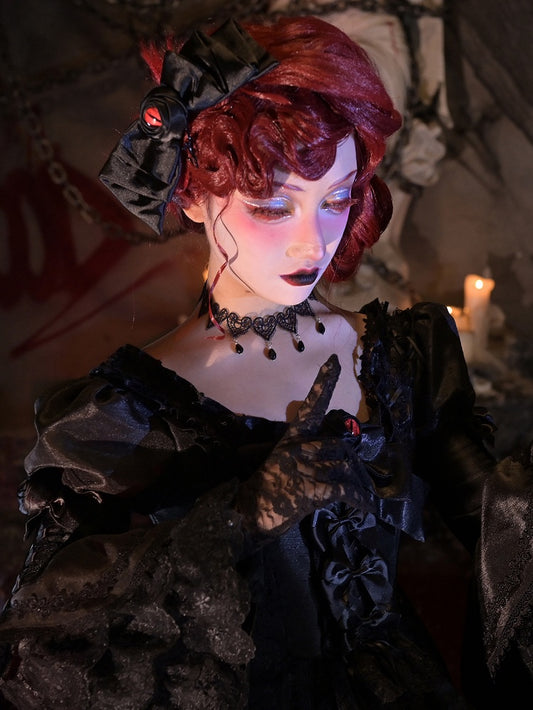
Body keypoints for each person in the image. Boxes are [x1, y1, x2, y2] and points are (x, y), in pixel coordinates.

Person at [0, 15, 531, 710]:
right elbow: (52, 617)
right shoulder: (125, 412)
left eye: (336, 200)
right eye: (274, 205)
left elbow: (498, 524)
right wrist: (243, 514)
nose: (313, 241)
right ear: (194, 195)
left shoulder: (398, 355)